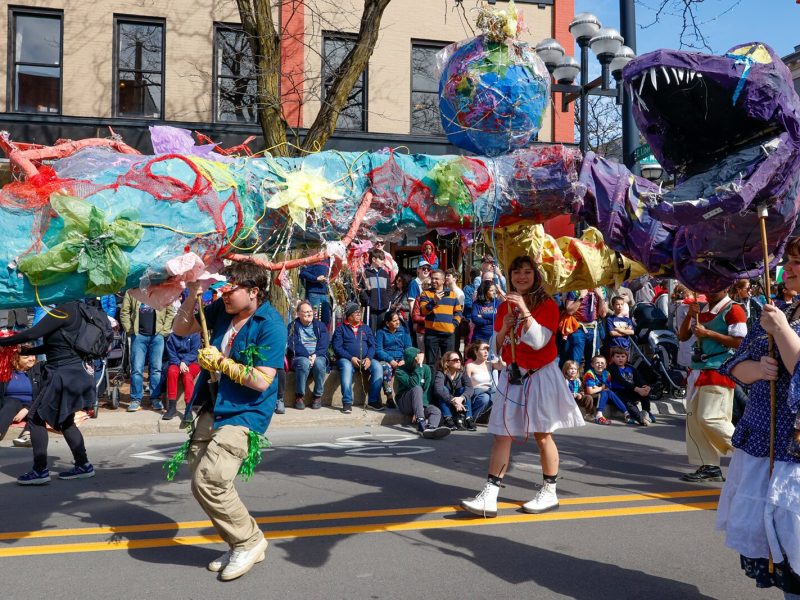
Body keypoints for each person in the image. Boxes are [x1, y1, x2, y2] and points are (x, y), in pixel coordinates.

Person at [172, 264, 286, 581]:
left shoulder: (271, 324)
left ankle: (249, 542)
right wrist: (192, 295)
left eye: (230, 290)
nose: (223, 295)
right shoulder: (221, 310)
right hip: (213, 403)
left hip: (246, 412)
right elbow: (180, 329)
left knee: (210, 480)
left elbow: (262, 381)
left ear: (254, 291)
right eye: (221, 289)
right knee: (201, 476)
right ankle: (240, 541)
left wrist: (222, 362)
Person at [461, 256, 584, 518]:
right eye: (516, 272)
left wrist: (525, 312)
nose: (521, 277)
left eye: (528, 272)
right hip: (512, 375)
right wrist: (504, 330)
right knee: (502, 434)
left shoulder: (548, 304)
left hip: (540, 374)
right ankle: (490, 494)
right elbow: (495, 348)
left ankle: (549, 491)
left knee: (542, 434)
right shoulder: (505, 304)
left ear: (536, 275)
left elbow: (540, 341)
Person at [716, 238, 800, 596]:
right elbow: (735, 367)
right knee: (775, 539)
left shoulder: (780, 317)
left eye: (798, 262)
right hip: (764, 436)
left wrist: (781, 331)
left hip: (794, 444)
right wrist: (758, 367)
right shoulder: (777, 307)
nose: (790, 268)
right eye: (790, 261)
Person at [0, 303, 99, 485]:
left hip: (64, 374)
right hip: (79, 373)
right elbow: (58, 346)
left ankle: (40, 471)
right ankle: (83, 465)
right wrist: (30, 351)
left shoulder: (63, 310)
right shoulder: (81, 311)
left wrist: (4, 341)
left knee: (36, 417)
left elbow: (32, 334)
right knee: (65, 420)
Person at [677, 287, 747, 482]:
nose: (709, 291)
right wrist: (689, 316)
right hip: (699, 369)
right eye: (708, 286)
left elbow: (741, 342)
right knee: (695, 420)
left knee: (710, 417)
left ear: (726, 287)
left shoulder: (734, 309)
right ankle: (709, 465)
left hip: (719, 369)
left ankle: (749, 452)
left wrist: (708, 333)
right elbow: (682, 336)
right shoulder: (701, 309)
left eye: (715, 286)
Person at [120, 291, 175, 412]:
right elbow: (124, 312)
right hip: (138, 336)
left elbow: (170, 311)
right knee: (136, 369)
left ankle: (155, 398)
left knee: (156, 369)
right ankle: (135, 400)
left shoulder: (161, 289)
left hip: (157, 336)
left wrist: (164, 331)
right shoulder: (132, 292)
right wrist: (130, 330)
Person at [331, 303, 385, 413]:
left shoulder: (365, 328)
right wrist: (351, 358)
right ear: (349, 316)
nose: (359, 314)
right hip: (347, 359)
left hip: (365, 359)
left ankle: (373, 400)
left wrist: (369, 358)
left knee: (378, 367)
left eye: (359, 312)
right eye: (356, 312)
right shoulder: (340, 329)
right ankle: (347, 402)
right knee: (346, 367)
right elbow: (337, 348)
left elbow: (372, 345)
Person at [394, 347, 450, 439]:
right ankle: (421, 423)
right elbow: (414, 383)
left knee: (436, 411)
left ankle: (430, 428)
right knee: (417, 388)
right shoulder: (400, 371)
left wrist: (420, 408)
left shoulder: (426, 369)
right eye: (416, 359)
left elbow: (427, 390)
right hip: (405, 402)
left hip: (421, 403)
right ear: (410, 359)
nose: (419, 360)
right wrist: (418, 365)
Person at [287, 300, 329, 410]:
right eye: (305, 312)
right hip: (300, 356)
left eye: (310, 311)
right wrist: (307, 356)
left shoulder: (320, 325)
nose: (309, 314)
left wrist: (315, 355)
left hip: (317, 355)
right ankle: (299, 396)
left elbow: (324, 343)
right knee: (304, 363)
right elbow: (293, 343)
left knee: (320, 363)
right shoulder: (293, 326)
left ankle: (317, 396)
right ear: (298, 313)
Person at [419, 269, 463, 367]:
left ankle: (446, 382)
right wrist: (434, 301)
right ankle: (432, 382)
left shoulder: (452, 294)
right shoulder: (425, 293)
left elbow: (458, 312)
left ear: (443, 281)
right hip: (432, 334)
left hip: (448, 334)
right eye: (432, 278)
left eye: (436, 279)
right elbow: (423, 311)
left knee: (449, 363)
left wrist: (453, 325)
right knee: (431, 363)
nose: (433, 281)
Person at [584, 354, 642, 425]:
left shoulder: (607, 374)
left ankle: (626, 414)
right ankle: (599, 415)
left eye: (602, 363)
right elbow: (590, 391)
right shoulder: (589, 373)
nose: (600, 365)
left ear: (605, 365)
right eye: (597, 363)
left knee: (607, 391)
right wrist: (601, 388)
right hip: (591, 397)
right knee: (605, 391)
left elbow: (607, 387)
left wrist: (597, 388)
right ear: (592, 365)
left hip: (602, 395)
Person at [561, 288, 607, 370]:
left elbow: (603, 314)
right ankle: (573, 382)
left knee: (593, 360)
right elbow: (570, 311)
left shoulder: (601, 290)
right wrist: (581, 297)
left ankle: (590, 381)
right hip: (578, 329)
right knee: (575, 359)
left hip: (593, 329)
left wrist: (601, 297)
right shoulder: (575, 289)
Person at [375, 310, 413, 409]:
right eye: (394, 320)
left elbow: (408, 348)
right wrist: (390, 360)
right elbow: (378, 350)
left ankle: (408, 398)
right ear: (387, 323)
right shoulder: (381, 332)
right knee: (385, 368)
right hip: (387, 359)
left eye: (398, 320)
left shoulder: (403, 331)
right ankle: (389, 398)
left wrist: (404, 359)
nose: (397, 322)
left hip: (401, 359)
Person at [0, 351, 42, 440]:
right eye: (26, 357)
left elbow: (43, 394)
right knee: (11, 403)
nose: (31, 359)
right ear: (16, 358)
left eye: (33, 355)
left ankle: (27, 435)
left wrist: (27, 408)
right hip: (10, 404)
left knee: (39, 410)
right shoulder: (6, 371)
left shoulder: (40, 371)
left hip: (33, 404)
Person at [607, 347, 654, 425]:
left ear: (626, 357)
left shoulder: (630, 368)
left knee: (645, 393)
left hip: (632, 390)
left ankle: (646, 412)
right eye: (617, 356)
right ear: (612, 358)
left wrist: (645, 386)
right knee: (630, 403)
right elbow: (621, 381)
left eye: (623, 356)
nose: (620, 359)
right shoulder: (611, 368)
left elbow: (639, 379)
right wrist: (637, 389)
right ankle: (640, 418)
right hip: (619, 392)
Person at [163, 331, 201, 421]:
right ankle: (172, 408)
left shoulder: (195, 335)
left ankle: (188, 409)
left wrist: (184, 362)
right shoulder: (171, 337)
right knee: (172, 372)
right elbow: (171, 354)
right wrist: (179, 363)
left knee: (187, 376)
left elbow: (195, 352)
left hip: (192, 362)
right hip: (176, 362)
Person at [434, 350, 476, 431]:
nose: (458, 362)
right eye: (455, 360)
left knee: (464, 390)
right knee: (444, 389)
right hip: (446, 403)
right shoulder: (441, 373)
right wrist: (453, 400)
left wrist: (461, 398)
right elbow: (438, 390)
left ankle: (468, 418)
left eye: (459, 360)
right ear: (447, 363)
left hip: (459, 403)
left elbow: (470, 388)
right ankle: (448, 418)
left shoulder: (462, 372)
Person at [359, 248, 391, 332]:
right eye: (381, 259)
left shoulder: (384, 274)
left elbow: (389, 289)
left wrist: (387, 300)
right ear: (373, 259)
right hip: (371, 309)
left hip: (383, 308)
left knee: (381, 331)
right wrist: (368, 301)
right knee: (370, 331)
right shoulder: (365, 273)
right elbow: (361, 289)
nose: (383, 261)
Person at [465, 341, 496, 422]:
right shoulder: (470, 366)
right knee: (485, 398)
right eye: (483, 349)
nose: (486, 351)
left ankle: (482, 417)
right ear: (476, 351)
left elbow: (503, 366)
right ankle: (470, 419)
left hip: (489, 393)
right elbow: (466, 385)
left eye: (488, 349)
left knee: (495, 396)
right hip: (475, 394)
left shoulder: (490, 364)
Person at [299, 259, 332, 327]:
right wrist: (316, 278)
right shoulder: (313, 258)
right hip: (314, 294)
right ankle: (313, 336)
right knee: (313, 318)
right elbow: (302, 273)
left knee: (326, 318)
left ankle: (323, 336)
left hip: (325, 294)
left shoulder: (329, 260)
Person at [407, 260, 433, 326]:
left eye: (428, 269)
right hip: (418, 320)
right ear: (418, 270)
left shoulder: (431, 283)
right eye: (424, 268)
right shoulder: (414, 284)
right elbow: (411, 304)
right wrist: (415, 321)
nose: (426, 270)